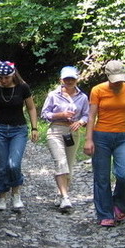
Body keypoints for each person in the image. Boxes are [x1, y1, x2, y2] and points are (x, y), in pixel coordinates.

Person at [83, 60, 125, 227]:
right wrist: (88, 139)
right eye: (115, 79)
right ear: (108, 76)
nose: (118, 83)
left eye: (121, 79)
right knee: (102, 177)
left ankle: (118, 204)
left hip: (123, 137)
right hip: (101, 137)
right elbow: (91, 116)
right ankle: (105, 214)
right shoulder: (98, 90)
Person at [0, 60, 39, 211]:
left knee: (14, 164)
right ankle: (2, 197)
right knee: (2, 165)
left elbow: (31, 108)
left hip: (19, 129)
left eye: (6, 78)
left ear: (13, 75)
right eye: (1, 77)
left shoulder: (23, 87)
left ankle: (16, 194)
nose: (3, 80)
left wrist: (34, 128)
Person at [40, 66, 90, 212]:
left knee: (69, 166)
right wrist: (60, 115)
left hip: (73, 132)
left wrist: (81, 122)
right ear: (61, 79)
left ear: (76, 79)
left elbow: (87, 114)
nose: (69, 81)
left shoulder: (82, 97)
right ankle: (65, 197)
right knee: (60, 162)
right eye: (66, 78)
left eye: (72, 78)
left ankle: (60, 192)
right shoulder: (53, 95)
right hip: (55, 130)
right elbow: (45, 113)